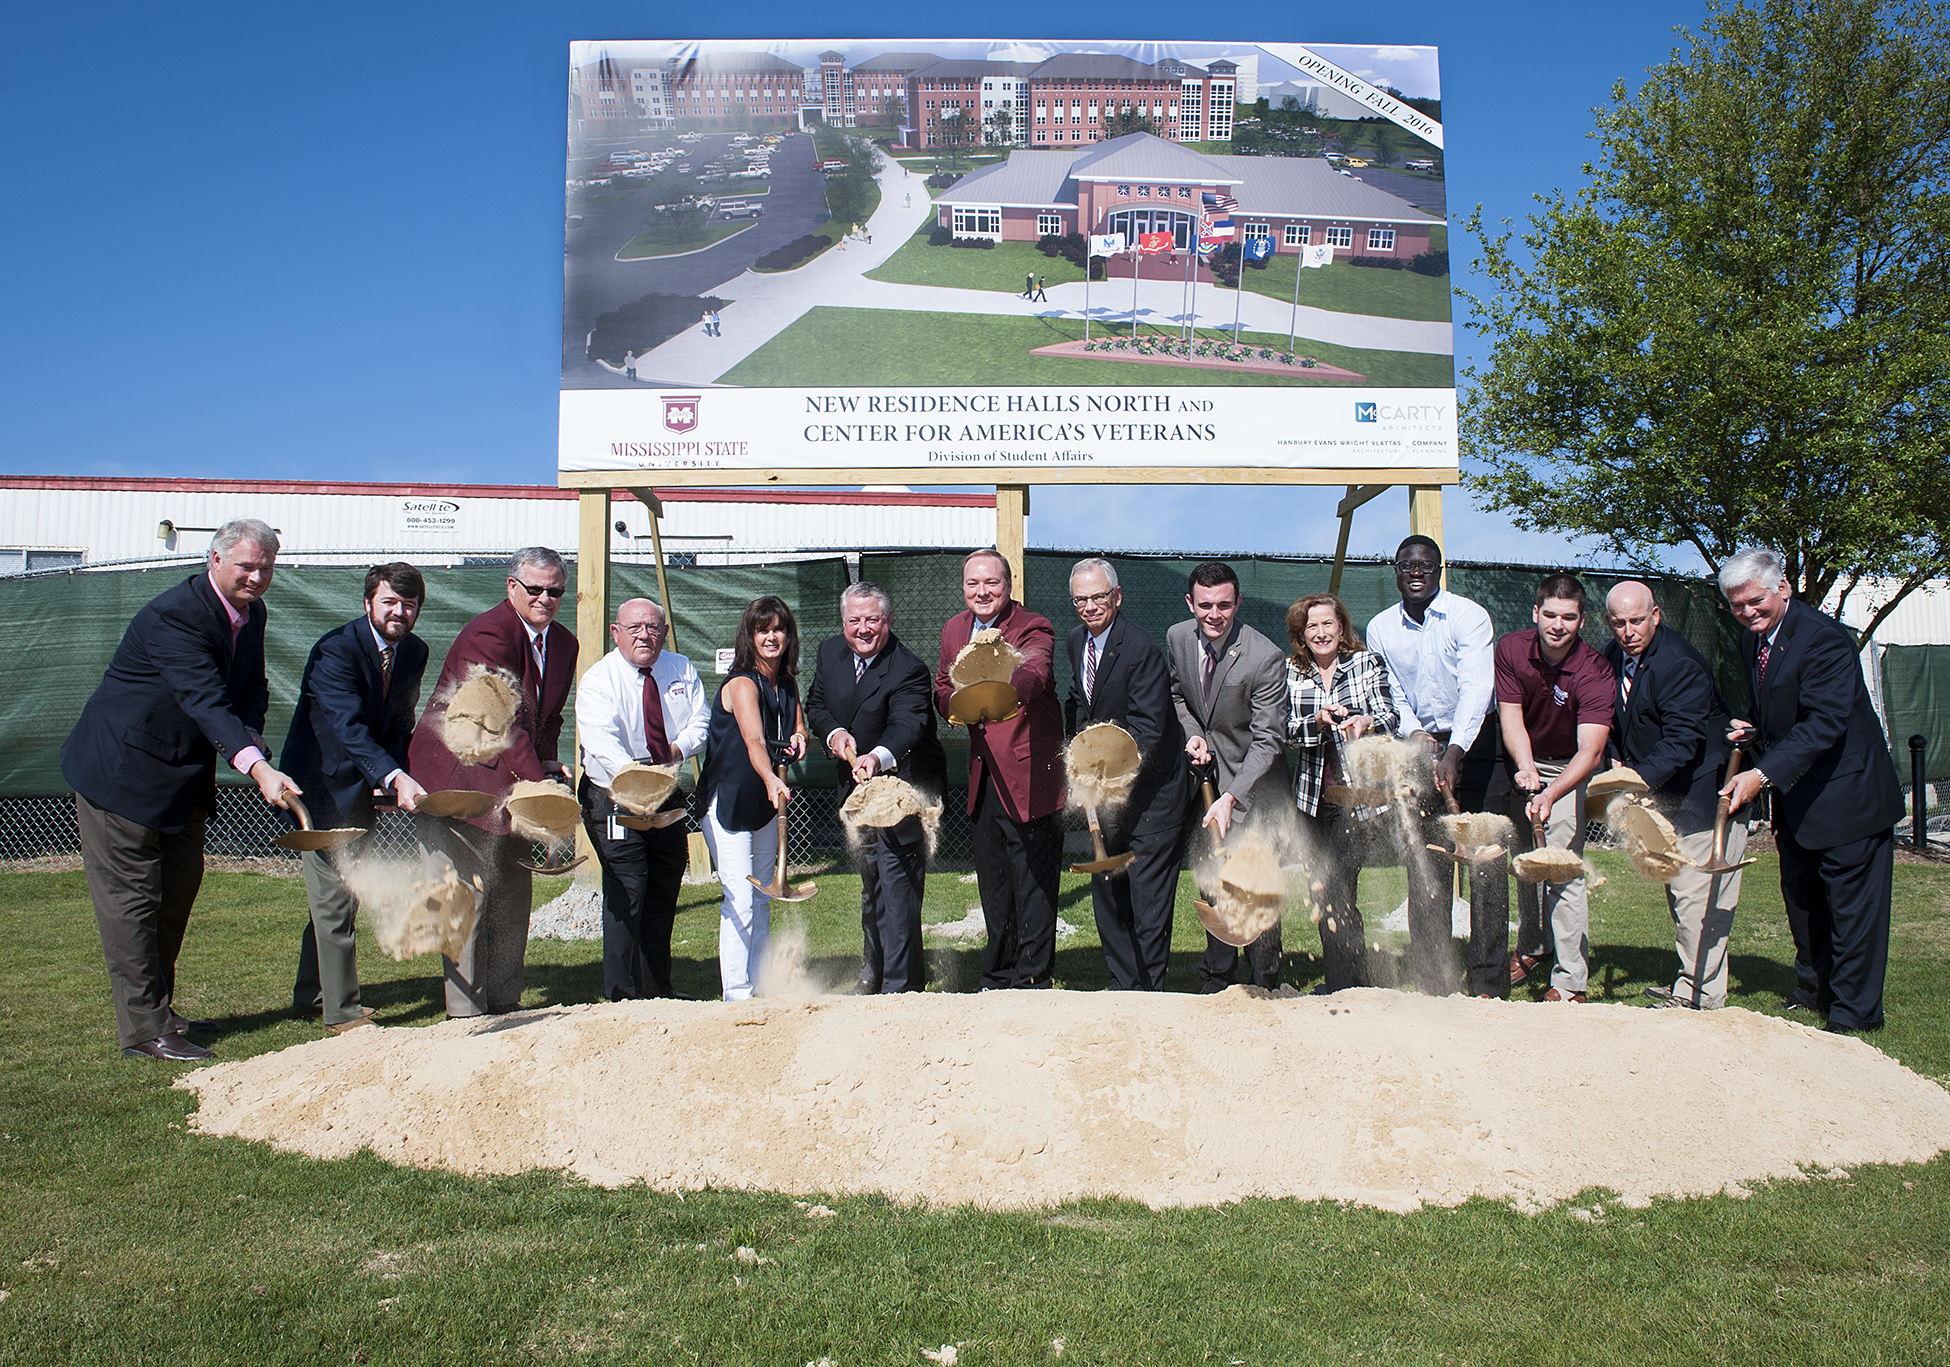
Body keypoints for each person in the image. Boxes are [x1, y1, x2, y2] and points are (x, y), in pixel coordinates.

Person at [62, 518, 300, 1060]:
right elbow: (203, 699)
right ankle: (145, 1030)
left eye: (266, 567)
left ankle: (157, 1010)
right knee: (134, 903)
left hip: (182, 777)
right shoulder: (178, 614)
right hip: (123, 774)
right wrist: (256, 767)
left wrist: (254, 732)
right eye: (246, 566)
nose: (257, 577)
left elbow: (250, 686)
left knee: (176, 895)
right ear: (214, 560)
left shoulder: (250, 612)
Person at [1718, 548, 1904, 1032]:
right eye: (1737, 606)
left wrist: (1761, 775)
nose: (1747, 612)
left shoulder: (1824, 639)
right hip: (1798, 801)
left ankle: (1854, 1016)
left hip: (1850, 800)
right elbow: (1785, 709)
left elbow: (1825, 722)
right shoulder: (1751, 642)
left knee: (1853, 915)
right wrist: (1755, 730)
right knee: (1803, 906)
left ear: (1783, 588)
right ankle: (1813, 991)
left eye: (1755, 601)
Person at [408, 546, 577, 1018]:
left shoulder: (563, 643)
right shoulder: (489, 632)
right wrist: (540, 779)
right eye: (535, 588)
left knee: (511, 893)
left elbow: (548, 717)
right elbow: (504, 717)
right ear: (512, 587)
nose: (545, 598)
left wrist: (546, 763)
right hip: (458, 779)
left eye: (555, 590)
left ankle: (505, 1001)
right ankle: (466, 1012)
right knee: (467, 893)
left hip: (513, 780)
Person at [284, 561, 431, 1033]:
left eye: (409, 604)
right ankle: (342, 1012)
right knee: (333, 897)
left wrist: (396, 776)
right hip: (321, 787)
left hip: (367, 785)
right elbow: (345, 727)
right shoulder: (335, 650)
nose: (399, 611)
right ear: (367, 603)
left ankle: (312, 993)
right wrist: (390, 775)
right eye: (389, 601)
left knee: (342, 899)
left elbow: (398, 720)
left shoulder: (414, 652)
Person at [1365, 535, 1499, 995]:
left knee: (1485, 862)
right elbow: (1391, 689)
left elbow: (1477, 688)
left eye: (1425, 565)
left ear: (1439, 570)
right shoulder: (1381, 626)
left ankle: (1487, 980)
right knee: (1427, 863)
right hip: (1418, 747)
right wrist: (1414, 733)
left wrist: (1455, 751)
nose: (1416, 572)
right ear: (1396, 571)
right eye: (1407, 566)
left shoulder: (1468, 617)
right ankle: (1432, 977)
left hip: (1477, 745)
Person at [1601, 580, 1743, 1010]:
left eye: (1637, 621)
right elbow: (1608, 719)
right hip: (1660, 792)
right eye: (1619, 622)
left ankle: (1699, 996)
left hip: (1701, 794)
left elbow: (1682, 743)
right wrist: (1612, 759)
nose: (1629, 631)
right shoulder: (1613, 657)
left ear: (1656, 615)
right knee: (1679, 894)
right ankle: (1689, 980)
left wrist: (1631, 781)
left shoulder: (1678, 664)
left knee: (1696, 897)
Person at [807, 582, 946, 993]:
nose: (863, 629)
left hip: (903, 786)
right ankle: (874, 971)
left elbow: (909, 724)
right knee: (872, 884)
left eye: (873, 620)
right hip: (857, 789)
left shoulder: (908, 668)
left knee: (898, 884)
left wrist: (876, 756)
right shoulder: (829, 652)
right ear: (843, 621)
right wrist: (834, 735)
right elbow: (816, 704)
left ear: (888, 620)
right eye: (855, 620)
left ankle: (901, 986)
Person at [935, 549, 1065, 990]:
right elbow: (942, 685)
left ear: (1008, 586)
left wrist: (1003, 695)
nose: (982, 591)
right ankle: (998, 973)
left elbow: (1035, 669)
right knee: (994, 881)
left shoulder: (1031, 625)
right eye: (973, 583)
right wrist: (955, 706)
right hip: (982, 774)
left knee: (1032, 879)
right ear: (963, 587)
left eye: (991, 583)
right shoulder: (954, 628)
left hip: (1029, 774)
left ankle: (1032, 977)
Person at [1165, 561, 1292, 991]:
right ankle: (1217, 980)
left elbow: (1269, 740)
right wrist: (1194, 735)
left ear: (1238, 602)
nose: (1214, 614)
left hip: (1255, 789)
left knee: (1256, 887)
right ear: (1190, 603)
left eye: (1223, 605)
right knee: (1214, 880)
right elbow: (1179, 695)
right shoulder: (1178, 638)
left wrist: (1232, 796)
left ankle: (1267, 980)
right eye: (1205, 605)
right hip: (1206, 784)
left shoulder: (1265, 656)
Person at [1066, 557, 1191, 991]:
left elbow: (1149, 728)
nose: (1090, 606)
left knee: (1148, 898)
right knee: (1109, 886)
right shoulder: (1076, 642)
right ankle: (1124, 987)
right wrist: (1080, 765)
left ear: (1116, 597)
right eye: (1080, 599)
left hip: (1153, 791)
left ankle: (1150, 992)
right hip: (1107, 791)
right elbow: (1081, 705)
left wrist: (1102, 777)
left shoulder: (1140, 648)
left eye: (1098, 596)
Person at [575, 596, 708, 1001]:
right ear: (616, 633)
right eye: (634, 628)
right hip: (613, 795)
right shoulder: (600, 679)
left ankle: (658, 990)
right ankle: (623, 994)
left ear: (664, 632)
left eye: (652, 627)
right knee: (628, 885)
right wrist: (634, 777)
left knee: (666, 882)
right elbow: (599, 739)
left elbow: (701, 721)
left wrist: (675, 749)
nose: (644, 635)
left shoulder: (681, 668)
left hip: (665, 792)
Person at [1495, 573, 1614, 1003]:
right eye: (1549, 615)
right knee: (1526, 864)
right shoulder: (1511, 648)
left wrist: (1550, 793)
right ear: (1536, 613)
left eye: (1568, 617)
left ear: (1582, 620)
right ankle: (1534, 946)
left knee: (1563, 868)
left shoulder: (1596, 670)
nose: (1557, 625)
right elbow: (1511, 717)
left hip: (1570, 766)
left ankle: (1569, 981)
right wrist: (1526, 769)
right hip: (1525, 757)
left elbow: (1591, 751)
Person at [1285, 594, 1399, 992]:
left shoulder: (1366, 663)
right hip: (1313, 798)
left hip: (1359, 800)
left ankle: (1341, 983)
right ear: (1302, 634)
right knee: (1325, 890)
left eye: (1327, 624)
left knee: (1336, 883)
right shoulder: (1292, 672)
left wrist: (1366, 721)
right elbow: (1286, 731)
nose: (1320, 633)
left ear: (1341, 627)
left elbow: (1390, 718)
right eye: (1311, 627)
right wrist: (1315, 722)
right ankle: (1355, 979)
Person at [699, 596, 808, 1000]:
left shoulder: (789, 683)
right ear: (750, 636)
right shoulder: (741, 683)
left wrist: (801, 738)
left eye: (778, 629)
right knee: (741, 900)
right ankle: (737, 994)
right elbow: (754, 739)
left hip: (765, 802)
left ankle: (764, 986)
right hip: (730, 799)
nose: (771, 636)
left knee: (763, 896)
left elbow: (798, 728)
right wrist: (769, 777)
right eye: (762, 630)